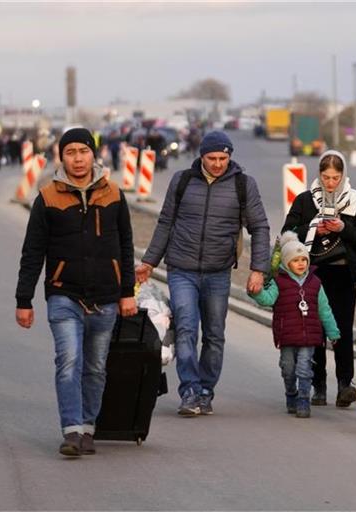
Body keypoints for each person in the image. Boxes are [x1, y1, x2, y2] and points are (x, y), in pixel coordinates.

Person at [15, 127, 138, 457]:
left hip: (107, 298)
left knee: (95, 367)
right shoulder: (48, 197)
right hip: (63, 295)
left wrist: (128, 291)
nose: (78, 159)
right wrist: (23, 300)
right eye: (70, 153)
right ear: (62, 156)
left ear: (93, 154)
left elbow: (126, 246)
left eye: (83, 152)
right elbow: (32, 252)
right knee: (69, 360)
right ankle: (71, 430)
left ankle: (87, 427)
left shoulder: (113, 194)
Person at [135, 130, 270, 417]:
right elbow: (165, 222)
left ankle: (206, 390)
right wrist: (149, 262)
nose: (218, 163)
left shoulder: (243, 185)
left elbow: (260, 228)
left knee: (214, 334)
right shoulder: (182, 181)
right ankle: (190, 391)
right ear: (201, 156)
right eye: (212, 158)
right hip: (181, 269)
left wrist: (259, 269)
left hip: (218, 272)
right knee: (185, 328)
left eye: (223, 158)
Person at [282, 150, 356, 408]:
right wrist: (314, 227)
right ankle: (319, 386)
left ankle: (345, 384)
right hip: (312, 274)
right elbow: (287, 233)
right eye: (326, 177)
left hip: (344, 273)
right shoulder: (305, 201)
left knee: (342, 330)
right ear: (319, 175)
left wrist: (343, 228)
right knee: (315, 331)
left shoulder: (354, 201)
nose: (331, 183)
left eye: (335, 177)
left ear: (343, 175)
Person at [248, 231, 341, 418]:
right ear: (285, 262)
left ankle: (303, 401)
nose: (301, 264)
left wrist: (333, 332)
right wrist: (256, 292)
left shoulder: (315, 283)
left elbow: (324, 309)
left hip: (309, 336)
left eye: (304, 260)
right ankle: (291, 393)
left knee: (304, 368)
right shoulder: (278, 282)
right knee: (288, 368)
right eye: (296, 260)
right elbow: (268, 299)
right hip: (287, 335)